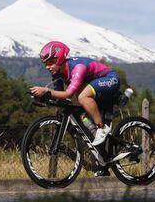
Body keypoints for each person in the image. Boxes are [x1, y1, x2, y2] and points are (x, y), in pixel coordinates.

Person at [30, 41, 120, 177]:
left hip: (110, 79)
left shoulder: (77, 67)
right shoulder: (57, 73)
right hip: (94, 85)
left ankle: (102, 127)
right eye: (45, 64)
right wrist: (43, 98)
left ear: (60, 58)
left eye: (51, 62)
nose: (48, 67)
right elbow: (59, 97)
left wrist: (46, 91)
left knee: (82, 97)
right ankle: (103, 161)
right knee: (84, 120)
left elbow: (68, 94)